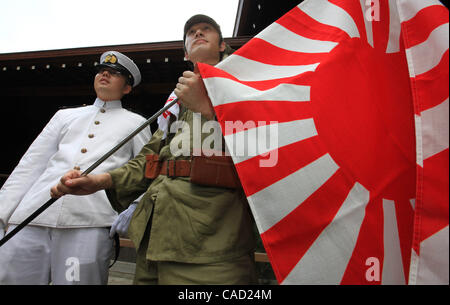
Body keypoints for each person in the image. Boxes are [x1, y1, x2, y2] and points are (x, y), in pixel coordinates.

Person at [51, 14, 257, 285]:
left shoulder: (249, 85)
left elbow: (268, 151)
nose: (198, 33)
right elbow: (150, 159)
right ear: (185, 52)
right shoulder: (177, 101)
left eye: (206, 29)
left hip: (211, 248)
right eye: (191, 32)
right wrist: (101, 180)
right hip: (156, 239)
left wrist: (208, 110)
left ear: (222, 45)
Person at [0, 51, 151, 285]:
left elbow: (143, 170)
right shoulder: (64, 116)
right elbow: (31, 164)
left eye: (115, 73)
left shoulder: (137, 123)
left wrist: (133, 208)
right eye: (101, 70)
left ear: (127, 88)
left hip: (89, 222)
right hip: (33, 215)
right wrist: (2, 214)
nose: (105, 74)